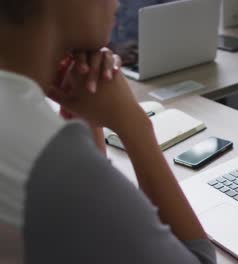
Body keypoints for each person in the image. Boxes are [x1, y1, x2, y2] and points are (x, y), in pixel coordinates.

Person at [0, 1, 215, 263]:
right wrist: (134, 125)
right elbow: (198, 259)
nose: (118, 2)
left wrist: (82, 113)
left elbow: (90, 229)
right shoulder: (48, 158)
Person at [109, 0, 172, 65]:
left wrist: (145, 48)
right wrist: (112, 49)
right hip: (107, 60)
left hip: (146, 61)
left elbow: (175, 22)